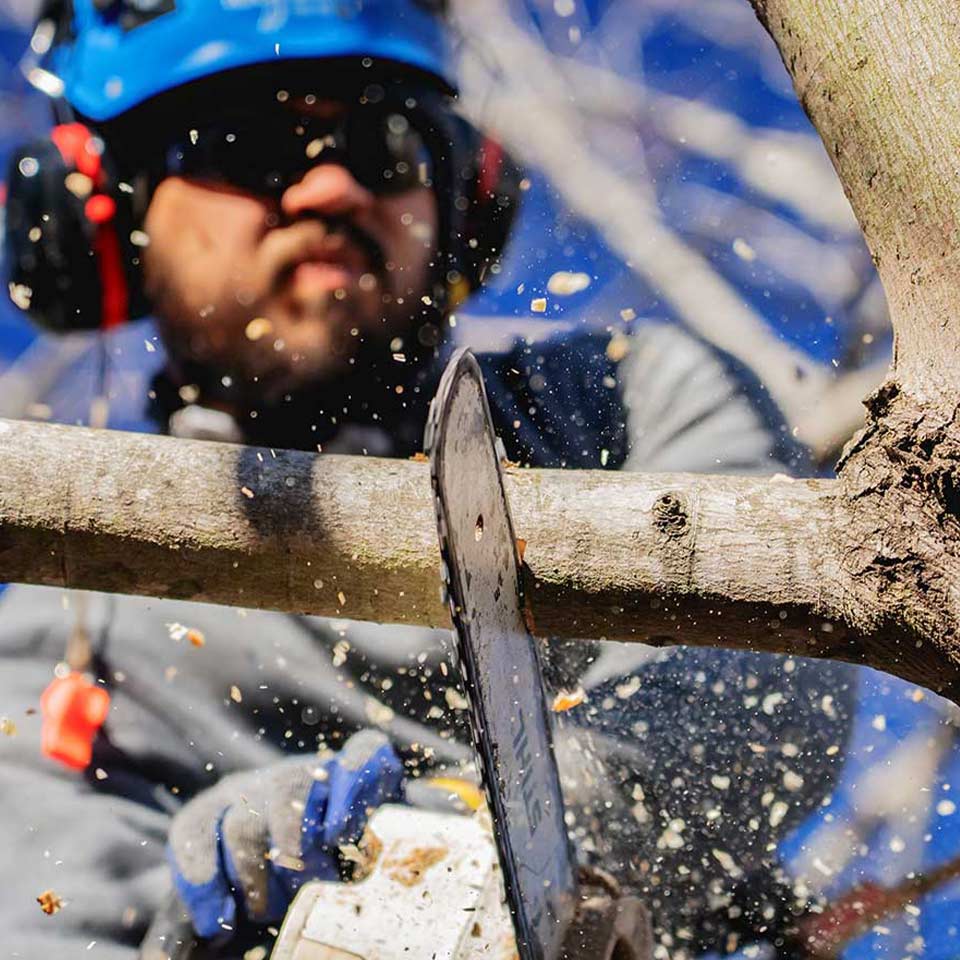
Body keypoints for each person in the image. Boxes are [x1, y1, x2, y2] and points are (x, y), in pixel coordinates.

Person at [0, 2, 857, 958]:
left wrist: (476, 825)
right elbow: (45, 915)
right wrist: (203, 925)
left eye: (384, 147)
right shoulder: (69, 631)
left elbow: (760, 684)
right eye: (249, 144)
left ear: (460, 194)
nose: (331, 189)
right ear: (107, 219)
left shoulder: (618, 404)